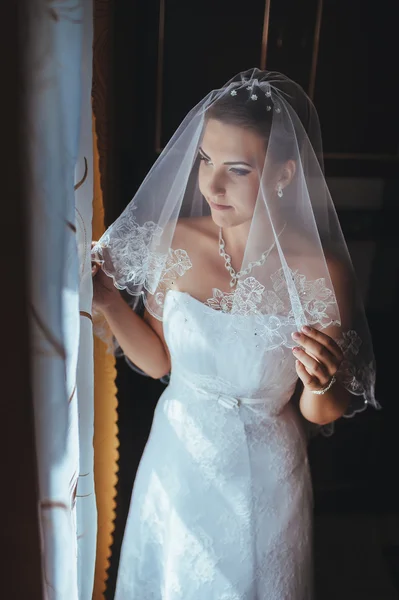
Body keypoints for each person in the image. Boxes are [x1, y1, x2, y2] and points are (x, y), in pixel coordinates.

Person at [92, 68, 379, 599]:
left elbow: (323, 408)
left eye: (238, 169)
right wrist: (108, 301)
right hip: (177, 459)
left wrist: (321, 383)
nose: (212, 185)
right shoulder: (172, 245)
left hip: (269, 475)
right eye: (205, 161)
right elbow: (159, 363)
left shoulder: (321, 273)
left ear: (282, 173)